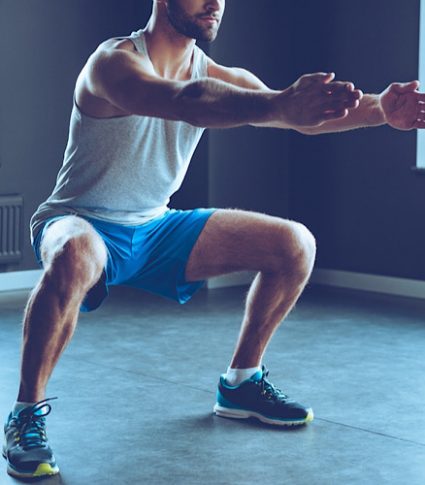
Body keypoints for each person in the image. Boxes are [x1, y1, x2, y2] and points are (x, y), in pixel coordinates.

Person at [3, 0, 425, 479]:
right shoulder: (113, 63)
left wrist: (380, 109)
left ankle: (242, 382)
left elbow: (296, 116)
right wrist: (279, 102)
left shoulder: (221, 76)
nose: (214, 3)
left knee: (295, 244)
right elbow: (186, 100)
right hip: (80, 220)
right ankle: (25, 414)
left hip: (156, 228)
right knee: (77, 252)